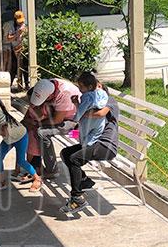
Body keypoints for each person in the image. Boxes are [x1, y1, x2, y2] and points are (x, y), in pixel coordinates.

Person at [60, 72, 121, 214]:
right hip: (93, 142)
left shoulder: (110, 101)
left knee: (74, 159)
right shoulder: (93, 100)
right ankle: (84, 180)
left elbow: (100, 114)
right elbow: (85, 116)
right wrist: (78, 105)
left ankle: (77, 198)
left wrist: (81, 112)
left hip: (105, 145)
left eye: (97, 88)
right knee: (66, 153)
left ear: (99, 87)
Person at [0, 94, 41, 194]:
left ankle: (37, 179)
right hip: (10, 138)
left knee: (21, 161)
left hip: (20, 137)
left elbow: (5, 133)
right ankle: (1, 182)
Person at [24, 78, 82, 179]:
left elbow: (57, 120)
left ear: (50, 96)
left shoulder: (64, 93)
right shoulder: (46, 85)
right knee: (33, 132)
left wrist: (37, 124)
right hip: (61, 116)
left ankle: (52, 170)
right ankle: (35, 164)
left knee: (41, 132)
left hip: (74, 121)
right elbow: (27, 117)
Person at [5, 10, 30, 91]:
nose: (20, 23)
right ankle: (10, 85)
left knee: (25, 67)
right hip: (15, 48)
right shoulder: (11, 26)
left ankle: (26, 84)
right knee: (14, 67)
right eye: (19, 21)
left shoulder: (25, 26)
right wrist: (17, 34)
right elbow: (8, 38)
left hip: (24, 48)